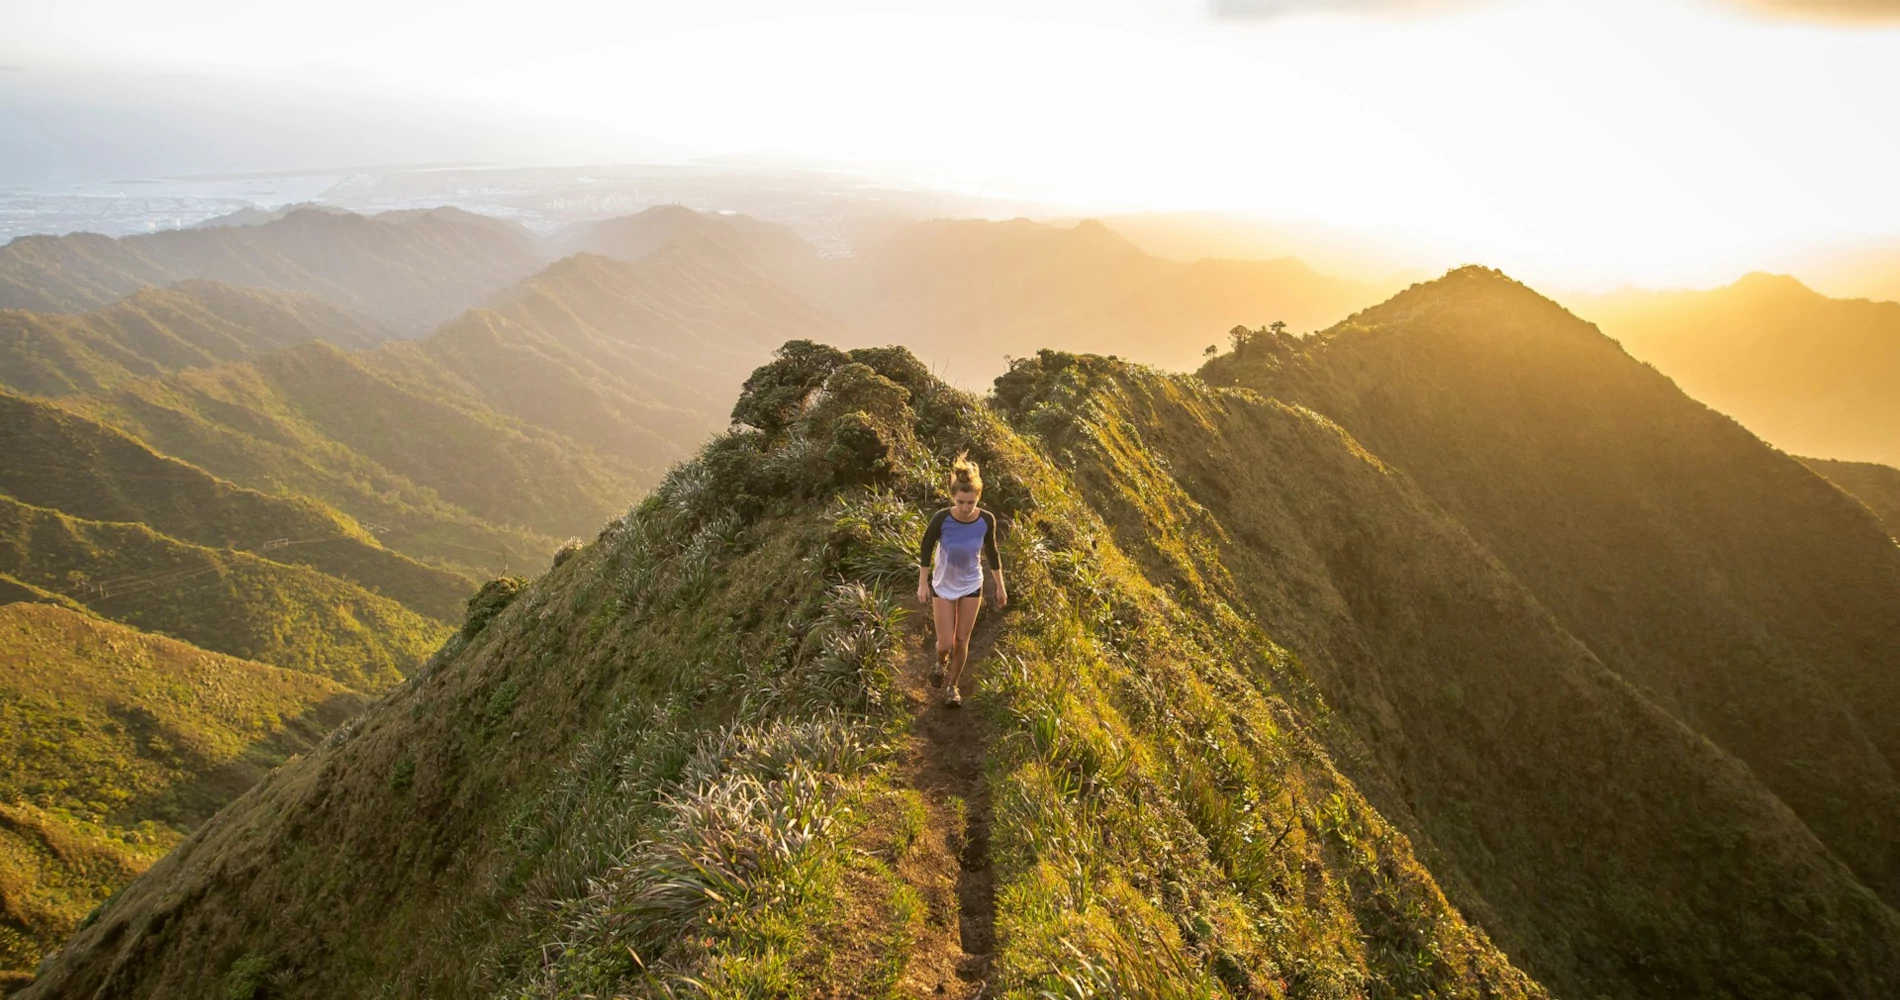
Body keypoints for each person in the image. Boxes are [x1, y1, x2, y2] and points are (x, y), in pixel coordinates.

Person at [916, 452, 1006, 707]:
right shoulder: (942, 518)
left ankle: (952, 687)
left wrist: (1000, 586)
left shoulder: (986, 520)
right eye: (961, 502)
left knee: (962, 640)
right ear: (953, 498)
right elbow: (925, 548)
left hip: (971, 584)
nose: (966, 508)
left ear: (978, 498)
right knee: (944, 643)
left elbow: (992, 552)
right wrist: (923, 583)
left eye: (970, 502)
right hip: (943, 584)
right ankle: (940, 661)